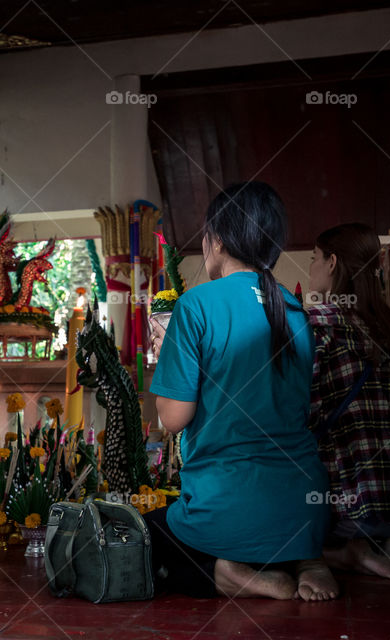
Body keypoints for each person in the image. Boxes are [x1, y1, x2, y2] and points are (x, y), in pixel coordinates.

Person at [148, 181, 338, 601]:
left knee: (128, 542)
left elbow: (172, 418)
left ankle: (229, 574)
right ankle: (304, 559)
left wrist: (168, 363)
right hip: (304, 508)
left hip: (227, 509)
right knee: (266, 521)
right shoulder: (294, 311)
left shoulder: (196, 305)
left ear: (216, 241)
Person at [306, 223, 390, 581]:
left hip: (347, 480)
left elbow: (309, 411)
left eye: (314, 258)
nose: (312, 267)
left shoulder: (319, 323)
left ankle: (352, 553)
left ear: (332, 263)